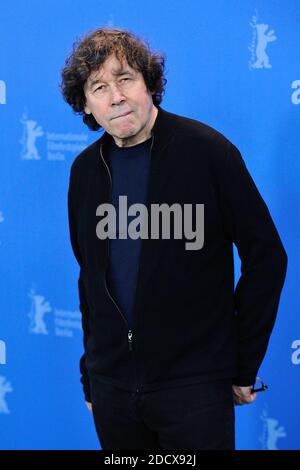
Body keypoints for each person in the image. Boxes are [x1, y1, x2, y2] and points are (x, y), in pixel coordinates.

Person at [60, 27, 287, 450]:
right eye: (99, 87)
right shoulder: (84, 172)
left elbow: (267, 258)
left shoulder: (208, 153)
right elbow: (89, 278)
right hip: (113, 392)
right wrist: (92, 374)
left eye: (125, 78)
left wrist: (240, 365)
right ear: (87, 106)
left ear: (149, 83)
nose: (116, 97)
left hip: (194, 388)